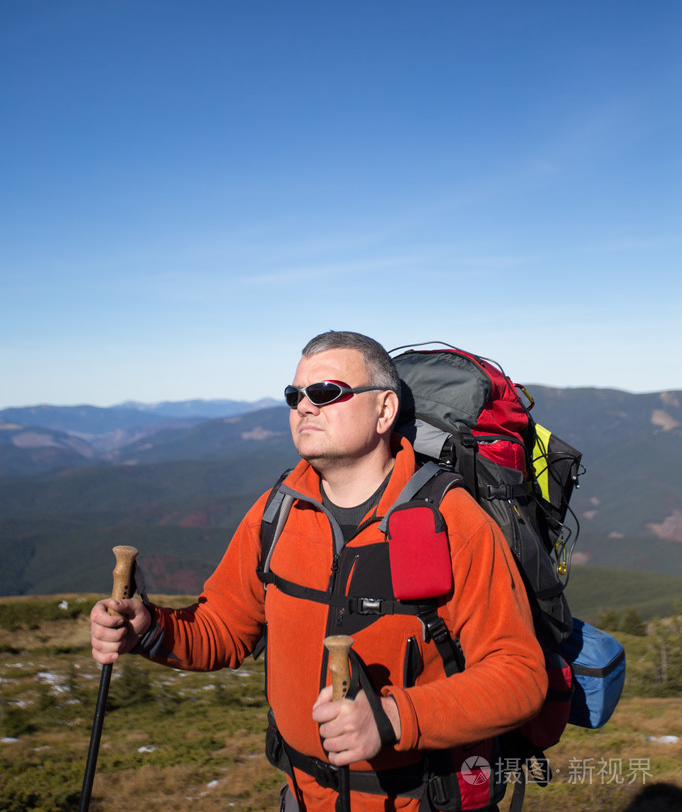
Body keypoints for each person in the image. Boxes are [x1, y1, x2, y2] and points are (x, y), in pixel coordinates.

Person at [90, 330, 548, 812]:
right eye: (295, 395)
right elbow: (223, 630)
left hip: (420, 802)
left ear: (384, 411)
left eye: (327, 392)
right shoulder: (277, 513)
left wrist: (391, 717)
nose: (304, 406)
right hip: (302, 797)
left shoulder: (451, 521)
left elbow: (519, 677)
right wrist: (149, 628)